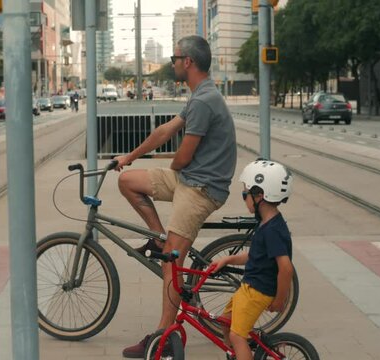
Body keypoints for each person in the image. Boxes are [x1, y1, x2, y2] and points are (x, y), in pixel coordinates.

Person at [114, 35, 237, 358]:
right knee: (128, 182)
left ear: (189, 62)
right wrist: (129, 157)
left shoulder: (204, 101)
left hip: (201, 188)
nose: (172, 62)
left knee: (172, 264)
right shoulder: (200, 95)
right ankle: (159, 238)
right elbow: (164, 131)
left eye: (175, 57)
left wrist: (176, 164)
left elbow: (182, 157)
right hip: (188, 179)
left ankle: (163, 337)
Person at [212, 160, 295, 360]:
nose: (244, 199)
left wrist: (280, 299)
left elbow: (286, 268)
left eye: (245, 194)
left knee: (237, 335)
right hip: (249, 287)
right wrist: (229, 259)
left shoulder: (273, 231)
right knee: (225, 322)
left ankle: (242, 353)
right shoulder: (266, 224)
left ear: (260, 196)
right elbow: (255, 255)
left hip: (257, 292)